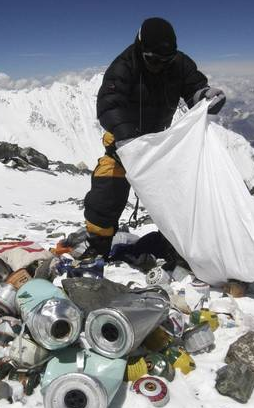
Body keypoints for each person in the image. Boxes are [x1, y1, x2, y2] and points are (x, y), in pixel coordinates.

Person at [82, 17, 226, 258]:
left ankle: (178, 247)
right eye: (153, 59)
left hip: (160, 146)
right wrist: (126, 138)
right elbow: (109, 105)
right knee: (107, 192)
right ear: (140, 48)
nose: (159, 65)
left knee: (179, 195)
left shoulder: (179, 64)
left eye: (165, 60)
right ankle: (97, 248)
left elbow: (194, 87)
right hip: (123, 146)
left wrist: (205, 96)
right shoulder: (124, 67)